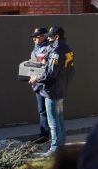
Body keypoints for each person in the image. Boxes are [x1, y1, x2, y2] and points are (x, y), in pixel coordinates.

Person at [30, 26, 74, 155]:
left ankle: (54, 148)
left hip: (52, 90)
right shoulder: (67, 49)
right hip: (61, 89)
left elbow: (50, 74)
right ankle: (61, 146)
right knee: (59, 119)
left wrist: (36, 79)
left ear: (57, 37)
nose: (48, 39)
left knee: (53, 121)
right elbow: (71, 71)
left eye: (50, 36)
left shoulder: (56, 51)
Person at [29, 27, 51, 143]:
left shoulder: (47, 48)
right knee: (42, 110)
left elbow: (45, 68)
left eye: (36, 37)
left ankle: (46, 136)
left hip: (44, 84)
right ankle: (45, 135)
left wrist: (36, 77)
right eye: (33, 37)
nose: (34, 39)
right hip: (37, 83)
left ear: (43, 36)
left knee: (47, 111)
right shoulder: (37, 48)